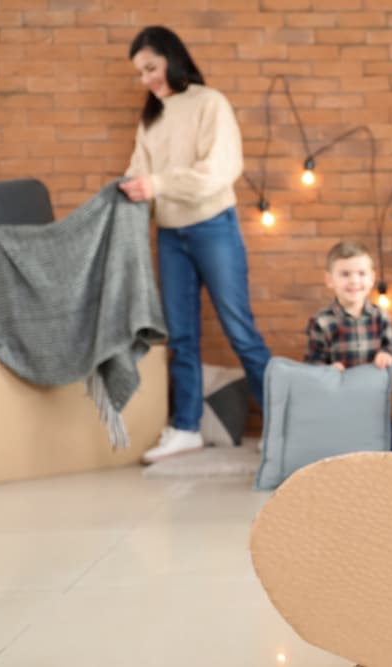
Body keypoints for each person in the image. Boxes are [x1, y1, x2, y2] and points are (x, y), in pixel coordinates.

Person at [119, 26, 272, 463]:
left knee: (240, 331)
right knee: (181, 336)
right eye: (140, 73)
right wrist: (126, 190)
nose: (147, 79)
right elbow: (138, 172)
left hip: (213, 227)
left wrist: (157, 184)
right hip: (170, 234)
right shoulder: (151, 117)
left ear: (172, 58)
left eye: (151, 67)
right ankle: (186, 427)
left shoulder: (210, 103)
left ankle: (281, 422)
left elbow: (218, 171)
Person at [305, 241, 392, 451]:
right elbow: (312, 364)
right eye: (345, 274)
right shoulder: (321, 321)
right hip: (338, 403)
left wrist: (387, 355)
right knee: (341, 450)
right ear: (329, 280)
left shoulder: (380, 316)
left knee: (391, 450)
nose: (354, 280)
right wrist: (327, 370)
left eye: (361, 273)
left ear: (372, 278)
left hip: (374, 401)